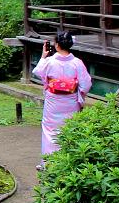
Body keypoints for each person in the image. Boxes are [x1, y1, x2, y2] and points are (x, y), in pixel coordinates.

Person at [32, 30, 92, 169]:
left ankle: (48, 163)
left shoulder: (50, 61)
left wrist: (43, 56)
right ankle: (68, 163)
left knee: (50, 130)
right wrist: (79, 95)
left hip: (53, 101)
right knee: (69, 129)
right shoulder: (77, 63)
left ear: (57, 45)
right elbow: (86, 84)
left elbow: (38, 72)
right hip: (70, 101)